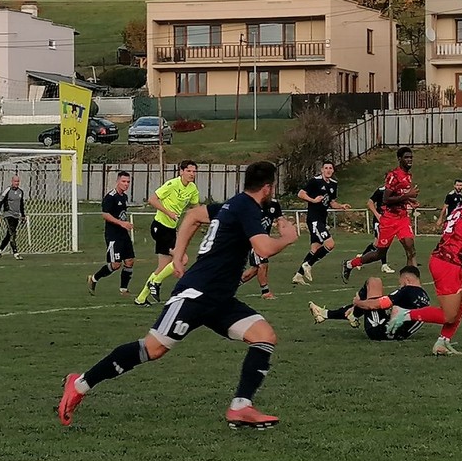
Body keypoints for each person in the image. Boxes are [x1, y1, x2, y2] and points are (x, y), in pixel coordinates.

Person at [58, 161, 300, 429]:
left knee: (264, 336)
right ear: (267, 188)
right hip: (196, 293)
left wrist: (180, 257)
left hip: (219, 298)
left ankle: (241, 407)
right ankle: (79, 384)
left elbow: (194, 215)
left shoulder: (233, 205)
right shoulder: (246, 207)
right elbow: (263, 248)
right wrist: (288, 238)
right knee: (153, 348)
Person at [387, 180, 462, 355]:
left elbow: (455, 243)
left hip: (448, 261)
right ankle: (405, 313)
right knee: (448, 315)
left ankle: (442, 342)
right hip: (446, 265)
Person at [343, 147, 418, 282]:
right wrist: (407, 195)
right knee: (379, 254)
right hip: (389, 219)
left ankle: (410, 283)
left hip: (402, 218)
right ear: (399, 159)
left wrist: (410, 201)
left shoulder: (408, 176)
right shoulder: (393, 175)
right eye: (406, 157)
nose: (409, 160)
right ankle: (350, 264)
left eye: (411, 157)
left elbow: (400, 195)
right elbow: (386, 200)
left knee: (410, 249)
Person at [135, 161, 201, 305]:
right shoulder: (172, 184)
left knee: (162, 267)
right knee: (182, 259)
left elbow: (196, 209)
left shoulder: (192, 189)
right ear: (181, 171)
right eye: (189, 171)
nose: (192, 174)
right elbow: (152, 199)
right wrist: (168, 212)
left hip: (170, 230)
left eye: (194, 172)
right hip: (159, 226)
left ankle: (140, 298)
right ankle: (156, 283)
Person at [308, 266, 431, 340]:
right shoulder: (424, 297)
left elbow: (376, 305)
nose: (400, 285)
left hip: (380, 330)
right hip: (398, 333)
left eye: (400, 282)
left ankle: (351, 314)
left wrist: (357, 302)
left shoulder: (407, 290)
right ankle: (325, 314)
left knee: (373, 282)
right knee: (372, 297)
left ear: (407, 280)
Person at [292, 161, 351, 285]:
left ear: (333, 171)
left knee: (315, 249)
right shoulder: (315, 181)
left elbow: (332, 202)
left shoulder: (334, 184)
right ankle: (308, 264)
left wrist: (341, 206)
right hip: (314, 219)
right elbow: (301, 194)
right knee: (330, 244)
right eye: (326, 168)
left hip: (322, 219)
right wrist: (312, 200)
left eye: (330, 168)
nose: (328, 170)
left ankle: (298, 275)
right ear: (322, 170)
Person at [88, 171, 135, 296]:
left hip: (123, 234)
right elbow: (105, 214)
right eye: (123, 181)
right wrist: (121, 223)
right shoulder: (110, 197)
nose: (126, 184)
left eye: (128, 182)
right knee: (115, 265)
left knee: (129, 261)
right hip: (113, 235)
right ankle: (93, 278)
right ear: (117, 181)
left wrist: (126, 224)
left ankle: (123, 290)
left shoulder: (124, 197)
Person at [242, 199, 285, 299]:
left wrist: (283, 230)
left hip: (264, 240)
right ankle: (265, 292)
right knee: (262, 264)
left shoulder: (274, 203)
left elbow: (280, 219)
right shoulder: (253, 203)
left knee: (255, 269)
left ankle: (231, 286)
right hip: (253, 239)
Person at [350, 184, 394, 274]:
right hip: (379, 221)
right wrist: (377, 215)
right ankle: (384, 265)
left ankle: (360, 258)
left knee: (376, 244)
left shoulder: (396, 191)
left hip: (388, 221)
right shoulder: (381, 190)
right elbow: (370, 203)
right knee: (383, 242)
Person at [0, 175, 26, 260]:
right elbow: (0, 202)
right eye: (15, 181)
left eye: (18, 181)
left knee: (9, 234)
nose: (17, 183)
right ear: (12, 181)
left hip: (16, 216)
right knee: (12, 233)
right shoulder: (7, 190)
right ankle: (16, 253)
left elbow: (21, 204)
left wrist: (23, 215)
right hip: (8, 215)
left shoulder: (20, 192)